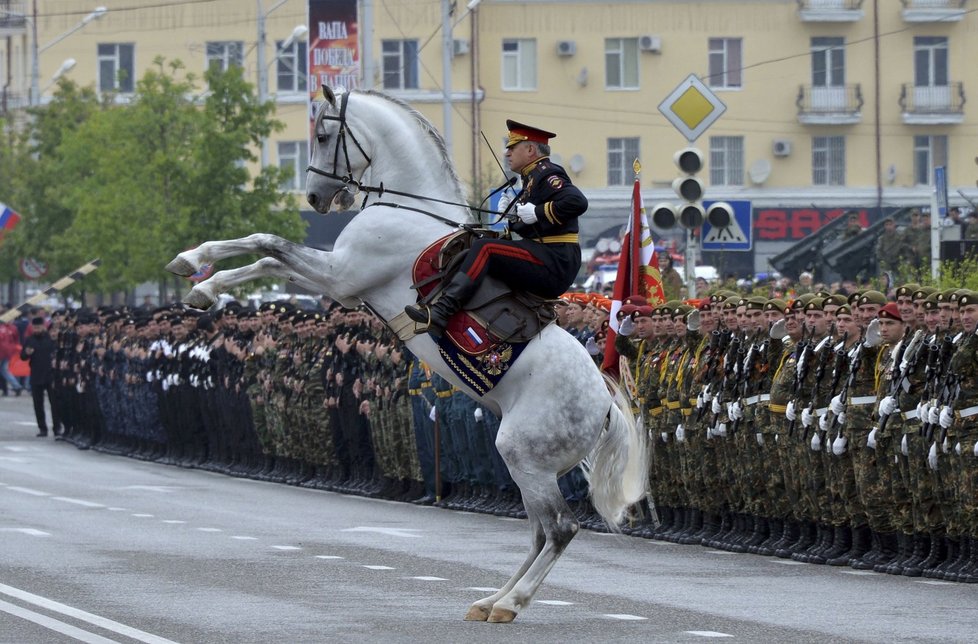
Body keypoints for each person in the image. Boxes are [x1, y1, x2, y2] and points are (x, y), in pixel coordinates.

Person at [405, 120, 587, 336]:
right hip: (546, 256)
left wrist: (536, 212)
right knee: (472, 249)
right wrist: (513, 218)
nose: (506, 152)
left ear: (530, 149)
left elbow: (577, 202)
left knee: (486, 249)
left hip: (555, 261)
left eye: (512, 147)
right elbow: (535, 228)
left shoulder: (546, 173)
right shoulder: (530, 178)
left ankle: (443, 312)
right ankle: (444, 310)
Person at [20, 317, 60, 437]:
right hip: (36, 375)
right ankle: (42, 428)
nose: (36, 330)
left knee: (55, 403)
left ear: (43, 327)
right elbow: (22, 356)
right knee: (38, 404)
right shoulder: (30, 340)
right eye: (34, 328)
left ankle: (57, 427)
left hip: (50, 375)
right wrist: (27, 353)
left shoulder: (50, 339)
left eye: (38, 327)